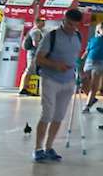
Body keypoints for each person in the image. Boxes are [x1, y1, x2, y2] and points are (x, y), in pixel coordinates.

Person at [31, 9, 82, 162]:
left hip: (69, 81)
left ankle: (49, 147)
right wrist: (55, 65)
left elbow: (75, 58)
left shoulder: (77, 37)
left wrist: (81, 74)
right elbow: (38, 59)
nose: (71, 28)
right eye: (68, 24)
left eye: (74, 25)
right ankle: (38, 148)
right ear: (63, 20)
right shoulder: (51, 36)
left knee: (59, 116)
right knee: (47, 113)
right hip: (50, 79)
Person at [81, 22, 103, 110]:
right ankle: (92, 98)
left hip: (99, 63)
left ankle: (87, 105)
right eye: (102, 28)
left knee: (94, 85)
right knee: (82, 82)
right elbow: (87, 51)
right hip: (89, 61)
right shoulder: (92, 39)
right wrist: (80, 60)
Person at [18, 18, 46, 95]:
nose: (44, 23)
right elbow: (36, 44)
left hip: (34, 54)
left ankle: (30, 89)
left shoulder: (36, 31)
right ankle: (23, 89)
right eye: (42, 21)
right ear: (37, 22)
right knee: (29, 71)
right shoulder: (36, 31)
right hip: (34, 54)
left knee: (33, 71)